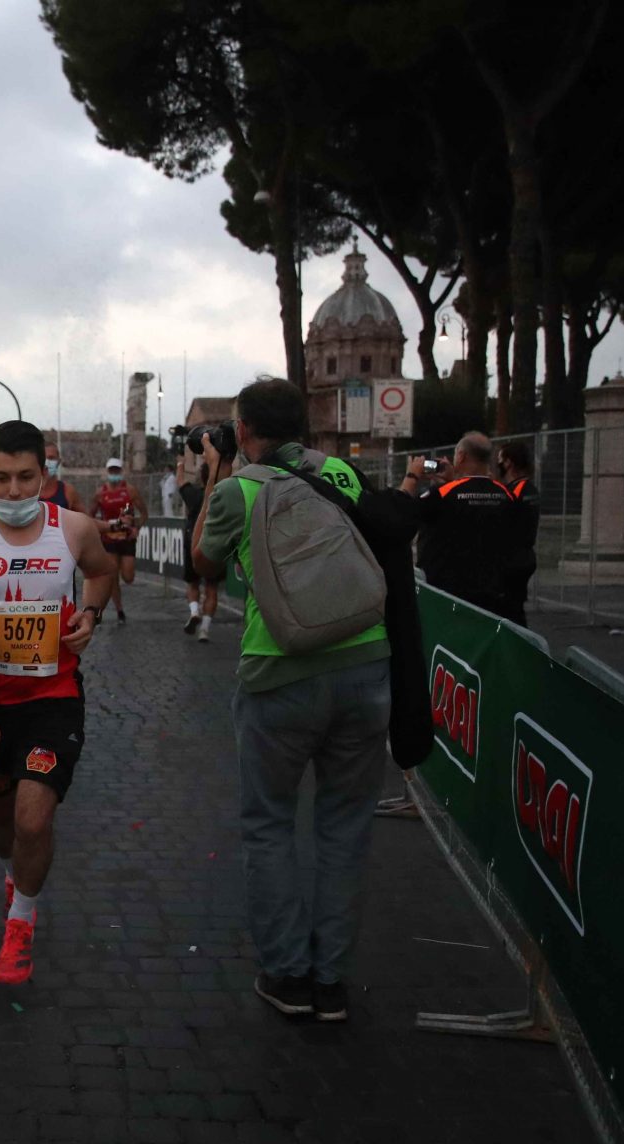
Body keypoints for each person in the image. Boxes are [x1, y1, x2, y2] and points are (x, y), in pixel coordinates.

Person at [191, 377, 392, 1024]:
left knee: (271, 825)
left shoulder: (237, 489)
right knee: (344, 829)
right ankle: (330, 980)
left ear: (243, 431)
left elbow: (205, 563)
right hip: (367, 665)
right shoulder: (343, 474)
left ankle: (287, 974)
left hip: (281, 671)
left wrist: (217, 470)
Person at [0, 420, 114, 984]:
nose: (14, 491)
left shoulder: (75, 529)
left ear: (45, 476)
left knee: (32, 816)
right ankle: (16, 877)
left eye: (25, 478)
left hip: (52, 697)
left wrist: (89, 614)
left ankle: (21, 921)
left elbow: (102, 571)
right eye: (1, 478)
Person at [400, 431, 517, 618]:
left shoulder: (443, 494)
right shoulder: (506, 495)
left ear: (461, 456)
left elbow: (401, 511)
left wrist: (412, 476)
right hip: (493, 594)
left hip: (446, 595)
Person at [89, 458, 147, 622]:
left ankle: (119, 603)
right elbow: (90, 516)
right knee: (112, 576)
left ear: (121, 472)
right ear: (107, 472)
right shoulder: (100, 493)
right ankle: (119, 610)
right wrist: (98, 530)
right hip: (109, 539)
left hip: (127, 538)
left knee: (128, 577)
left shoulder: (130, 491)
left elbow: (144, 514)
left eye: (117, 471)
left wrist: (136, 527)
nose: (114, 474)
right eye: (111, 471)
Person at [497, 440, 539, 626]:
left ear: (508, 463)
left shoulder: (513, 492)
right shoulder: (531, 489)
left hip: (511, 560)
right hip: (525, 557)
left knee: (510, 611)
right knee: (516, 609)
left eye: (500, 459)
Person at [178, 458, 220, 641]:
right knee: (212, 587)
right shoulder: (222, 495)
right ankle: (205, 628)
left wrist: (180, 463)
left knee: (192, 583)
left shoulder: (193, 494)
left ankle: (194, 612)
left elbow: (180, 481)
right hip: (215, 541)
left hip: (193, 541)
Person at [40, 437, 79, 511]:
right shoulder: (27, 492)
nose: (46, 463)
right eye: (43, 458)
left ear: (58, 462)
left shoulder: (68, 491)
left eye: (51, 458)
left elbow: (85, 519)